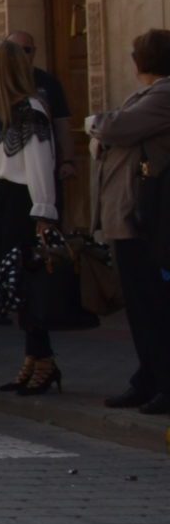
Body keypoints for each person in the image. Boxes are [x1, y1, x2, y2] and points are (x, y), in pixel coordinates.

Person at [0, 39, 62, 394]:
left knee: (30, 284)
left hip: (24, 206)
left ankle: (43, 359)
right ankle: (33, 356)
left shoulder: (31, 112)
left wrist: (44, 213)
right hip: (7, 204)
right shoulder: (11, 113)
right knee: (18, 287)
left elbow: (41, 165)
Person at [94, 29, 170, 413]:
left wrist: (97, 122)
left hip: (145, 215)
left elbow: (112, 128)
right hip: (127, 214)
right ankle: (148, 376)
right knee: (139, 307)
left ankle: (162, 381)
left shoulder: (163, 94)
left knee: (153, 304)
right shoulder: (147, 95)